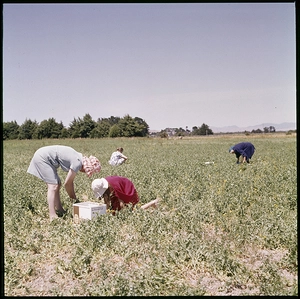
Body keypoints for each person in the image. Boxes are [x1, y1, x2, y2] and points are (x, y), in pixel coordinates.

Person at [27, 145, 101, 221]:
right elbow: (68, 183)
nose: (83, 172)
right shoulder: (77, 162)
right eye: (86, 171)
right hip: (43, 157)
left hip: (44, 155)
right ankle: (52, 215)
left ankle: (60, 210)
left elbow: (69, 183)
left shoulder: (78, 157)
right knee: (53, 186)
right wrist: (74, 200)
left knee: (57, 184)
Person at [91, 176, 159, 214]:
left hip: (127, 190)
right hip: (120, 189)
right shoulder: (107, 186)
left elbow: (121, 203)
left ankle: (152, 203)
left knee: (132, 212)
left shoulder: (114, 186)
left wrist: (124, 214)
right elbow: (106, 200)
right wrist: (107, 211)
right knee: (114, 211)